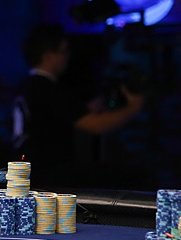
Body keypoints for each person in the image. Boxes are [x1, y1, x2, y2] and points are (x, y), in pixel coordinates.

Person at [12, 23, 145, 187]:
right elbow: (95, 125)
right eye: (63, 51)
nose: (67, 57)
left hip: (30, 172)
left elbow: (50, 118)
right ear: (48, 56)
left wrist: (85, 109)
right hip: (50, 174)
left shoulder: (26, 87)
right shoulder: (49, 90)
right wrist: (133, 108)